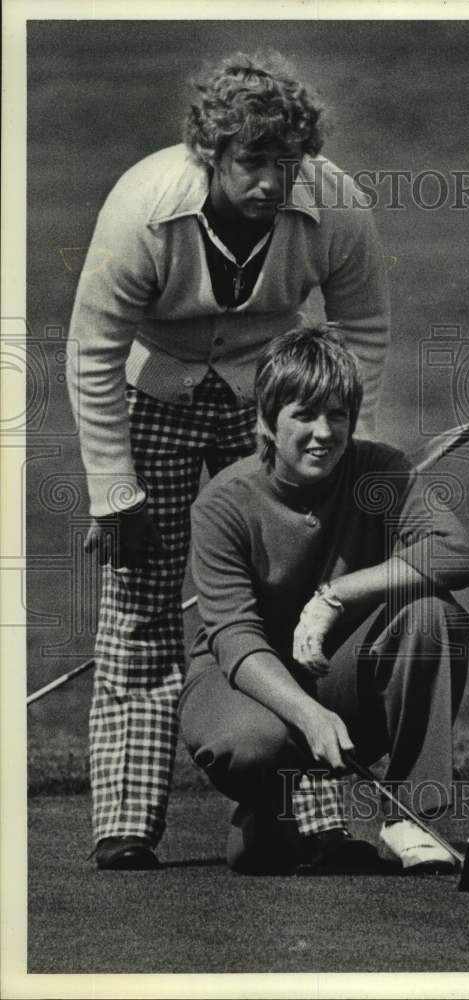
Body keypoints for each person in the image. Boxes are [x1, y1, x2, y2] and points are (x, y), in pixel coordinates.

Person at [66, 52, 390, 869]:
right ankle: (128, 823)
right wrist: (113, 489)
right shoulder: (144, 208)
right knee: (140, 607)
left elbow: (365, 332)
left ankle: (304, 817)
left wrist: (340, 448)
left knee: (289, 594)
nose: (273, 183)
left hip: (269, 407)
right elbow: (92, 352)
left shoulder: (338, 206)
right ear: (211, 154)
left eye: (289, 163)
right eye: (253, 162)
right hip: (156, 402)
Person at [178, 326, 469, 874]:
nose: (323, 433)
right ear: (267, 421)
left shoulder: (380, 470)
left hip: (340, 673)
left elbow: (456, 554)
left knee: (434, 616)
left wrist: (335, 594)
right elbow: (236, 640)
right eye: (304, 415)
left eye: (337, 415)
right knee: (253, 749)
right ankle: (269, 810)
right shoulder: (223, 501)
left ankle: (412, 815)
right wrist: (310, 717)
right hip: (245, 685)